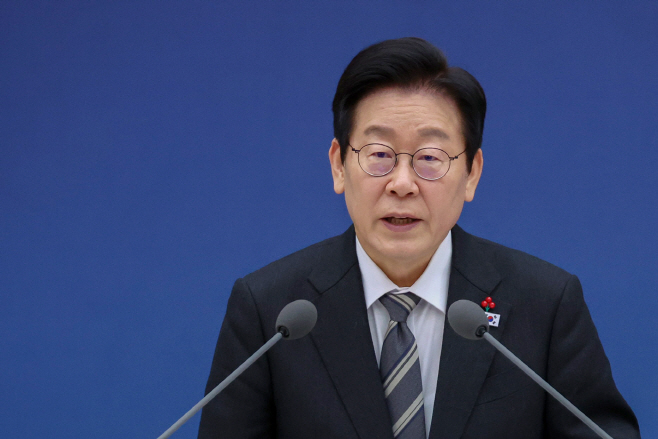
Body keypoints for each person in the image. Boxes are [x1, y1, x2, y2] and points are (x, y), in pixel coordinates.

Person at [198, 37, 640, 439]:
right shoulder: (271, 311)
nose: (402, 183)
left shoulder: (544, 304)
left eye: (430, 157)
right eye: (379, 154)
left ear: (472, 173)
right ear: (338, 165)